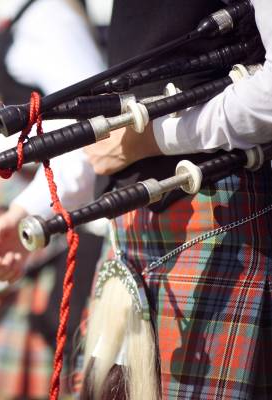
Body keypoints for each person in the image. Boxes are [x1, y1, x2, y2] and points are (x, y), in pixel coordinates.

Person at [80, 0, 272, 398]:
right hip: (130, 221)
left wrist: (150, 140)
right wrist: (25, 211)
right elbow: (109, 132)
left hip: (220, 215)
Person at [0, 0, 105, 397]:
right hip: (31, 196)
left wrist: (31, 206)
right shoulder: (26, 16)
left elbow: (94, 130)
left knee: (50, 362)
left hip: (53, 200)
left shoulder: (51, 18)